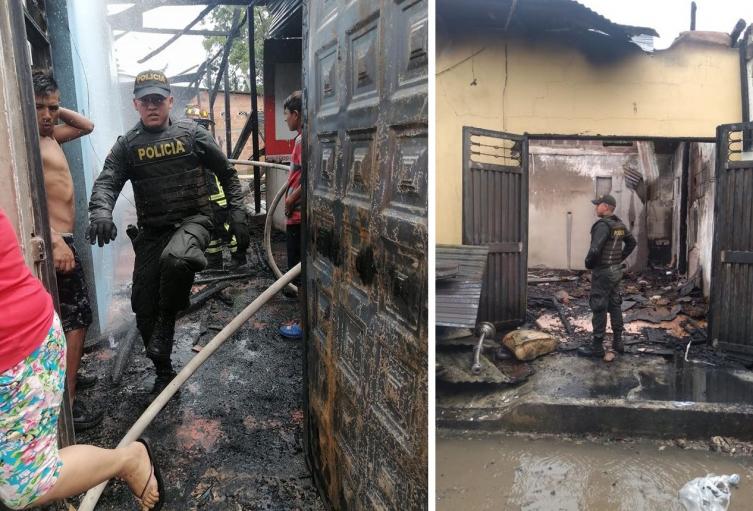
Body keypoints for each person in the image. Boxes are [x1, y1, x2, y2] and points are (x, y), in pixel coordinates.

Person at [87, 70, 250, 397]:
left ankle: (167, 320)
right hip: (152, 232)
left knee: (177, 260)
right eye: (145, 100)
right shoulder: (128, 146)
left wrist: (237, 211)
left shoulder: (193, 135)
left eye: (158, 99)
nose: (152, 106)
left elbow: (228, 174)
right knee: (142, 305)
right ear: (136, 104)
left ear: (170, 101)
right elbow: (107, 182)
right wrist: (101, 211)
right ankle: (163, 370)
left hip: (194, 222)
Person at [0, 207, 162, 511]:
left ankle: (116, 449)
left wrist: (55, 236)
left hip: (17, 346)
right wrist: (101, 209)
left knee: (25, 484)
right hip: (23, 336)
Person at [32, 69, 103, 431]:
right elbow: (29, 196)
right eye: (40, 107)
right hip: (53, 241)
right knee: (77, 322)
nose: (48, 115)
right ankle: (67, 405)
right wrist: (55, 238)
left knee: (68, 320)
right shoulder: (27, 140)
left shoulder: (51, 136)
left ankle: (65, 383)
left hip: (64, 239)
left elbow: (87, 126)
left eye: (53, 107)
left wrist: (55, 111)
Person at [183, 105, 245, 271]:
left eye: (201, 124)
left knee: (225, 228)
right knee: (210, 231)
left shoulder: (202, 141)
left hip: (216, 197)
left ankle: (239, 258)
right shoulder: (192, 140)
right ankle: (215, 262)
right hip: (205, 198)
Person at [577, 194, 637, 361]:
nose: (596, 208)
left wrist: (589, 264)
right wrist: (619, 259)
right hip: (616, 271)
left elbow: (595, 249)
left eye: (598, 205)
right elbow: (632, 242)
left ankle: (597, 347)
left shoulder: (603, 225)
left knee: (599, 306)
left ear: (605, 206)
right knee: (615, 304)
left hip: (603, 272)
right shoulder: (619, 224)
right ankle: (618, 342)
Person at [278, 91, 303, 340]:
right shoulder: (302, 139)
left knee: (299, 272)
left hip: (298, 217)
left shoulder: (302, 141)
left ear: (296, 114)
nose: (285, 119)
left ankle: (303, 323)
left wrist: (290, 200)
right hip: (297, 215)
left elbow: (307, 177)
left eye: (286, 114)